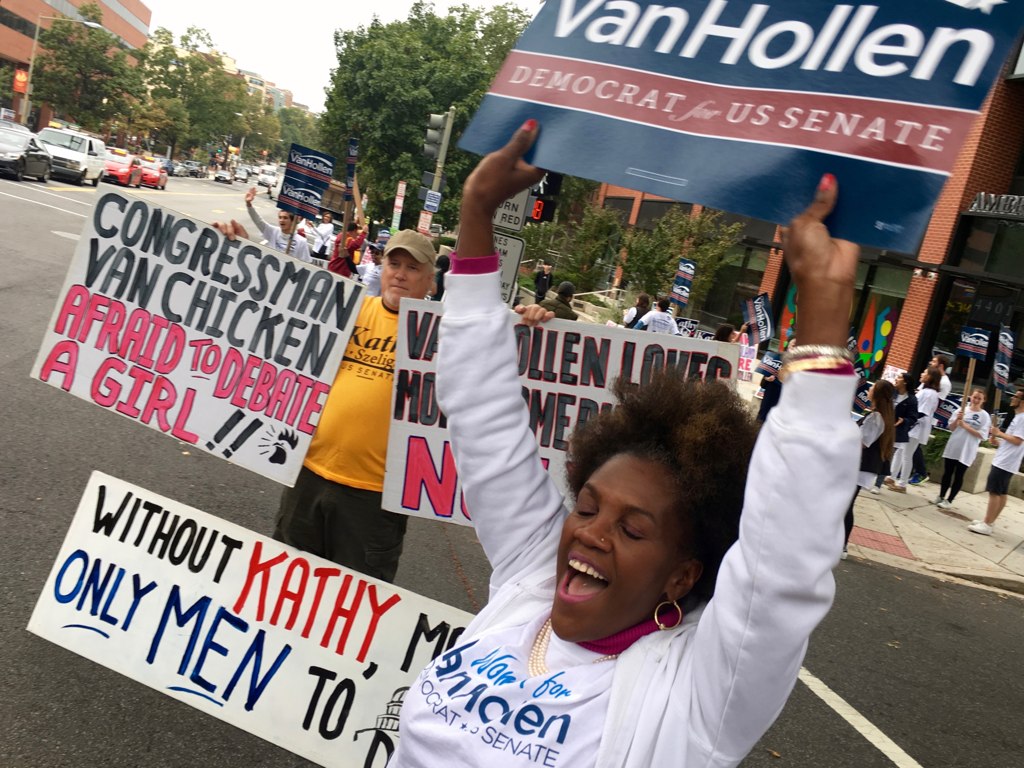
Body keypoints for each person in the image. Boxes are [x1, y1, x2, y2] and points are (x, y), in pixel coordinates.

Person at [389, 122, 860, 767]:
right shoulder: (531, 579)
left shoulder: (695, 700)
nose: (589, 533)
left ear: (683, 574)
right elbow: (482, 415)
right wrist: (475, 215)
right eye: (587, 507)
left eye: (633, 530)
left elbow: (781, 563)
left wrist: (824, 327)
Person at [208, 220, 437, 579]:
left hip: (374, 497)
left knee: (351, 606)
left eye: (413, 268)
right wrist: (237, 249)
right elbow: (272, 306)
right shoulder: (350, 309)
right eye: (395, 264)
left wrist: (529, 325)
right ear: (383, 267)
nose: (400, 275)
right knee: (283, 586)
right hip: (309, 474)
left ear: (431, 281)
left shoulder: (445, 335)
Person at [843, 380, 895, 558]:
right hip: (859, 465)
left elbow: (862, 443)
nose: (869, 389)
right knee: (844, 504)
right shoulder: (879, 416)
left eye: (873, 387)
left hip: (859, 466)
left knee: (845, 505)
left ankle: (842, 545)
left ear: (878, 394)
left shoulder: (876, 418)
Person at [969, 388, 1024, 536]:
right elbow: (1012, 441)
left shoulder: (1022, 418)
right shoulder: (1018, 417)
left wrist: (999, 433)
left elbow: (1018, 441)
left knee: (994, 492)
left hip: (1005, 462)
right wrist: (998, 441)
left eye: (1016, 396)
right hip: (1006, 459)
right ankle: (990, 521)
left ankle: (987, 524)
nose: (1012, 398)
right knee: (1001, 492)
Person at [935, 388, 991, 510]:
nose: (976, 400)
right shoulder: (961, 410)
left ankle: (949, 500)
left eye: (979, 399)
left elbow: (983, 435)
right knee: (947, 473)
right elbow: (951, 428)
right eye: (974, 397)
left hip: (968, 449)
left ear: (983, 401)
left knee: (959, 475)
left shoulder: (984, 416)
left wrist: (965, 426)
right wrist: (957, 420)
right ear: (970, 396)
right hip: (954, 445)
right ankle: (941, 495)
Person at [887, 367, 940, 493]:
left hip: (917, 428)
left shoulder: (930, 394)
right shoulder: (924, 391)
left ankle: (902, 484)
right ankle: (891, 477)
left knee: (906, 455)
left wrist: (908, 421)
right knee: (900, 451)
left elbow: (922, 412)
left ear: (930, 377)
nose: (922, 374)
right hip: (912, 427)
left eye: (925, 372)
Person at [910, 354, 952, 484]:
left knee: (913, 445)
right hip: (917, 411)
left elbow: (937, 402)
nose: (930, 362)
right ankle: (907, 470)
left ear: (941, 365)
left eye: (933, 361)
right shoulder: (930, 375)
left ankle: (921, 472)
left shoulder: (944, 382)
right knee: (909, 445)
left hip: (924, 416)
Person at [242, 186, 312, 263]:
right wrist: (248, 204)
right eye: (280, 217)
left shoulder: (301, 242)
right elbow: (258, 221)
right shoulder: (273, 232)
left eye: (285, 218)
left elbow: (307, 264)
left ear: (292, 221)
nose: (281, 220)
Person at [880, 372, 918, 494]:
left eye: (900, 378)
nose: (896, 379)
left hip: (897, 432)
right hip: (882, 428)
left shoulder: (912, 399)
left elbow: (913, 417)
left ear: (905, 382)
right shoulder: (892, 393)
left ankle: (878, 483)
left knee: (887, 457)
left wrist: (904, 421)